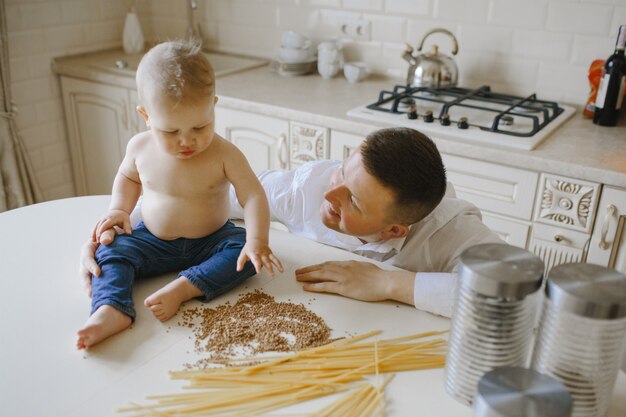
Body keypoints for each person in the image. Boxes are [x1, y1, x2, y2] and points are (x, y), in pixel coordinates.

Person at [81, 127, 501, 319]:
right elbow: (204, 197)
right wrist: (121, 228)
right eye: (343, 173)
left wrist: (389, 284)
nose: (329, 195)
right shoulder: (307, 185)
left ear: (395, 230)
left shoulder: (451, 229)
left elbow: (518, 298)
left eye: (351, 200)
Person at [76, 40, 283, 350]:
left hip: (211, 241)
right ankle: (111, 309)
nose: (188, 141)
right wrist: (119, 209)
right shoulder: (140, 148)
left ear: (213, 105)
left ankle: (185, 288)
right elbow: (128, 178)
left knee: (246, 255)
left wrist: (258, 241)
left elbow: (252, 195)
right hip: (152, 240)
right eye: (171, 131)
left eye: (201, 126)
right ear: (146, 115)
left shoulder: (225, 154)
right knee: (108, 251)